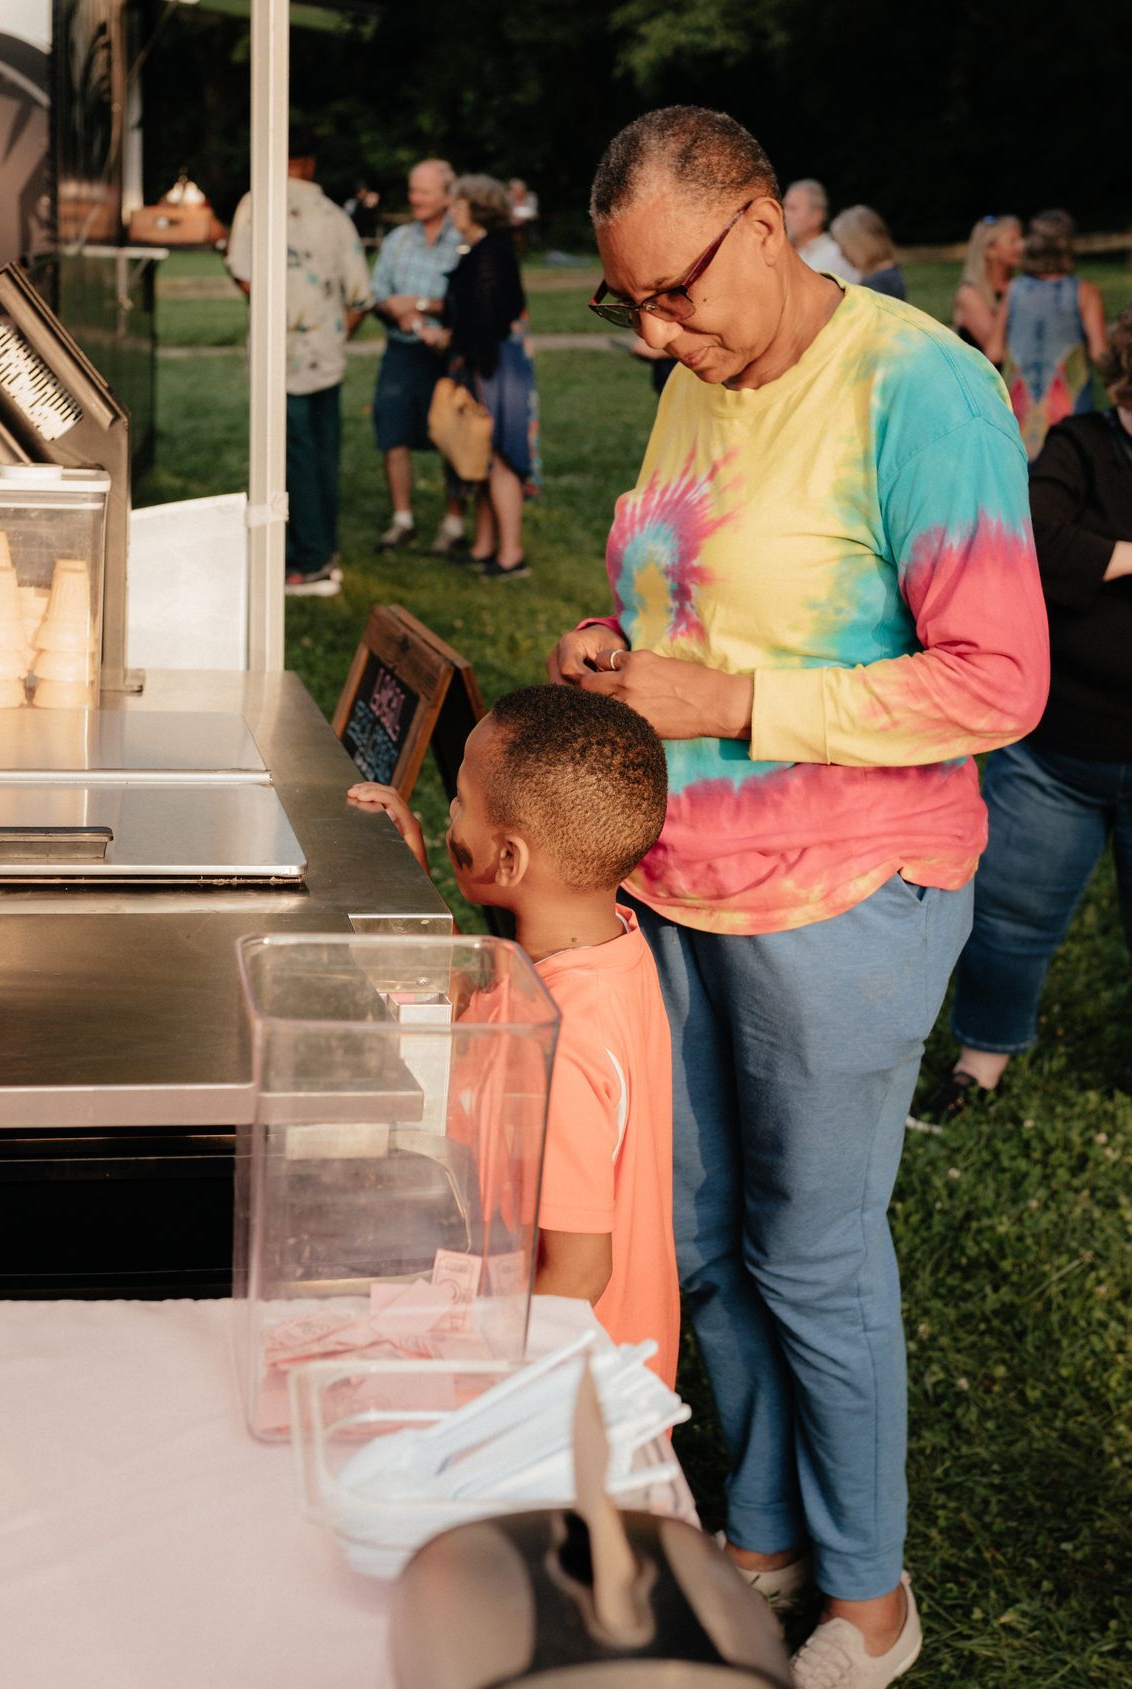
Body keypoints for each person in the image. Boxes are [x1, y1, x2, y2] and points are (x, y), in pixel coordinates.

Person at [572, 106, 1046, 1687]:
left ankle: (868, 1596)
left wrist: (735, 704)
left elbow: (1000, 680)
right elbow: (683, 593)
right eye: (626, 303)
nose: (655, 331)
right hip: (681, 879)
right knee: (706, 1236)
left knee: (812, 1254)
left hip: (847, 895)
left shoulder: (922, 387)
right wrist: (618, 654)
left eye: (676, 291)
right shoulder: (700, 377)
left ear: (765, 228)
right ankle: (764, 1530)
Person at [347, 685, 679, 1384]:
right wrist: (419, 883)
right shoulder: (597, 950)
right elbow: (487, 1000)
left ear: (509, 861)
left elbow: (582, 1267)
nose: (450, 816)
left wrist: (482, 1380)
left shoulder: (563, 1039)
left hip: (562, 1394)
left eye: (461, 801)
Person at [917, 305, 1132, 1120]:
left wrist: (1103, 560)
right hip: (1059, 751)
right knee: (1010, 918)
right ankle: (982, 1060)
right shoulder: (1079, 445)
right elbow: (1037, 536)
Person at [227, 124, 372, 597]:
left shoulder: (255, 205)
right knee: (323, 454)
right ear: (311, 163)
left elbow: (243, 275)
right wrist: (329, 333)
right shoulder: (334, 215)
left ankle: (308, 562)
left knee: (290, 459)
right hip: (325, 354)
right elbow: (360, 297)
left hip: (278, 357)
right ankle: (324, 549)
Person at [419, 174, 537, 578]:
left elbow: (485, 319)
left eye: (457, 204)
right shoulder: (481, 250)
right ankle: (485, 546)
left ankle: (511, 555)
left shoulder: (491, 254)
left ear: (476, 207)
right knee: (484, 455)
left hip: (496, 365)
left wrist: (447, 337)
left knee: (501, 455)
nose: (451, 210)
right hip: (485, 361)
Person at [370, 158, 469, 554]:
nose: (415, 198)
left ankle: (454, 523)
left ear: (447, 196)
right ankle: (402, 520)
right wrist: (394, 309)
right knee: (392, 432)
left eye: (424, 191)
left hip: (446, 355)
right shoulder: (397, 241)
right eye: (412, 190)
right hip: (401, 351)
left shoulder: (461, 241)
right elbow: (378, 296)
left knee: (451, 437)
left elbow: (467, 303)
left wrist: (423, 305)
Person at [997, 209, 1108, 460]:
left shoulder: (1013, 291)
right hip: (1069, 414)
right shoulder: (1085, 292)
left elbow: (993, 351)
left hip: (1019, 413)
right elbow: (1100, 354)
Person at [951, 214, 1022, 360]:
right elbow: (997, 353)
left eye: (1021, 239)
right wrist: (1009, 298)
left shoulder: (1017, 285)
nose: (1022, 245)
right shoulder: (969, 295)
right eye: (1012, 241)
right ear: (990, 251)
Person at [781, 177, 860, 283]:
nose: (783, 214)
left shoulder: (835, 255)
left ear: (816, 216)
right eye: (784, 207)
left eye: (792, 208)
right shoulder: (785, 252)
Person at [831, 205, 906, 300]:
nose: (842, 254)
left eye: (844, 247)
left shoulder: (877, 285)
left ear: (860, 244)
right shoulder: (889, 275)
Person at [509, 176, 540, 254]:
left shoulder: (530, 197)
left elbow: (533, 212)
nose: (518, 192)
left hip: (526, 222)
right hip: (510, 222)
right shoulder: (508, 197)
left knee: (520, 230)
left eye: (520, 190)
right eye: (515, 190)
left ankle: (523, 251)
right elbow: (506, 211)